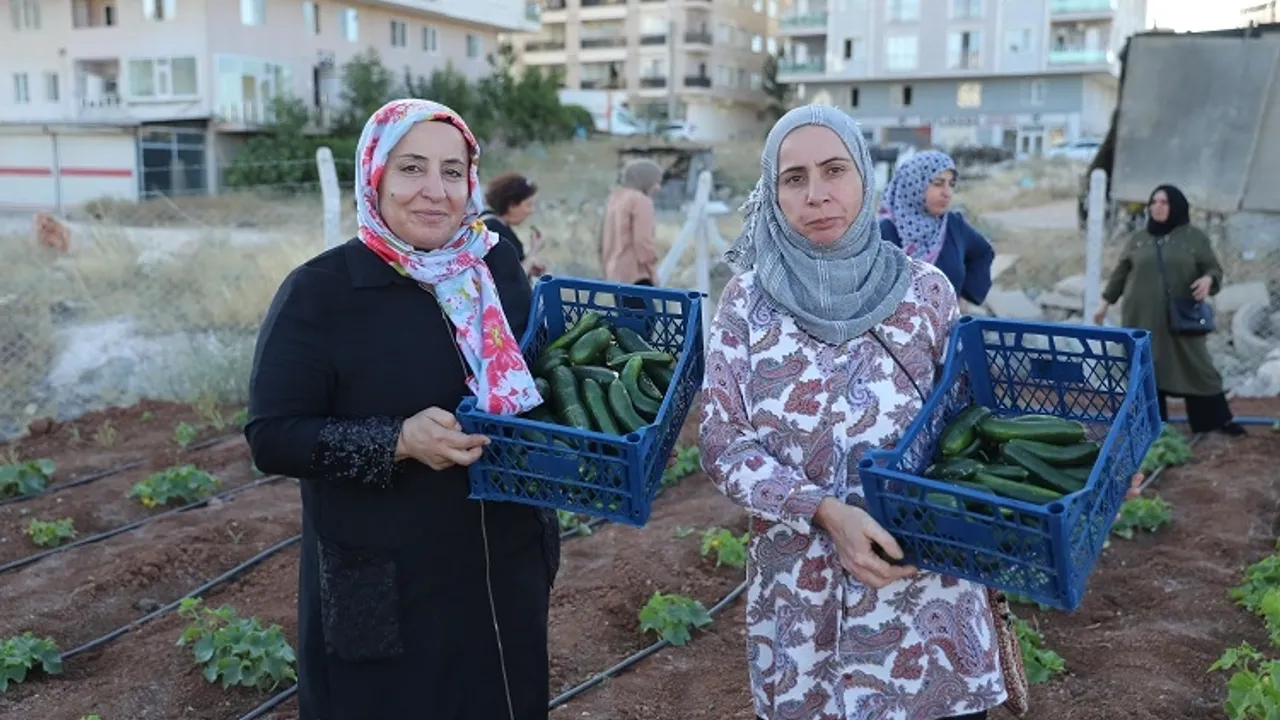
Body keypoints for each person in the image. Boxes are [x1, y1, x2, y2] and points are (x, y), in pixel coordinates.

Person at [699, 104, 1144, 720]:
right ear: (773, 194)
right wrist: (824, 512)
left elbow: (971, 427)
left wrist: (1086, 473)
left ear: (865, 176)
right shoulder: (747, 302)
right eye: (794, 178)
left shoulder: (926, 291)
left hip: (929, 607)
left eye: (834, 170)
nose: (817, 193)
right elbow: (722, 439)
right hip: (803, 614)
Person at [244, 98, 560, 720]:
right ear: (375, 174)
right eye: (411, 168)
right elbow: (272, 435)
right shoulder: (322, 292)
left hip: (502, 562)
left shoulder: (494, 264)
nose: (435, 191)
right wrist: (399, 440)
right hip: (386, 580)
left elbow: (534, 374)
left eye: (452, 171)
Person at [1093, 184, 1245, 436]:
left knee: (1197, 366)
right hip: (1140, 317)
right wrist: (1104, 303)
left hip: (1180, 318)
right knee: (1146, 369)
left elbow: (1213, 268)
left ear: (1176, 206)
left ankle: (1214, 421)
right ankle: (1153, 427)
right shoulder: (1139, 239)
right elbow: (1121, 273)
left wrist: (1208, 280)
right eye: (1153, 202)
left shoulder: (1194, 238)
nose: (1157, 207)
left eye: (1164, 202)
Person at [877, 150, 995, 308]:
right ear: (913, 184)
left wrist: (966, 293)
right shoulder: (884, 232)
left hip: (948, 323)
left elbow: (983, 252)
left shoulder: (953, 225)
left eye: (951, 184)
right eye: (938, 183)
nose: (947, 193)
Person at [600, 158, 662, 287]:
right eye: (656, 182)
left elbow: (602, 239)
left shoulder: (614, 199)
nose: (658, 188)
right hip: (636, 274)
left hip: (614, 274)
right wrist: (652, 266)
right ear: (646, 180)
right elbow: (642, 240)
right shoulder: (641, 201)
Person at [483, 171, 547, 278]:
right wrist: (533, 251)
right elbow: (512, 280)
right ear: (511, 205)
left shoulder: (500, 226)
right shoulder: (493, 231)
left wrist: (529, 266)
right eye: (528, 205)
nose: (531, 211)